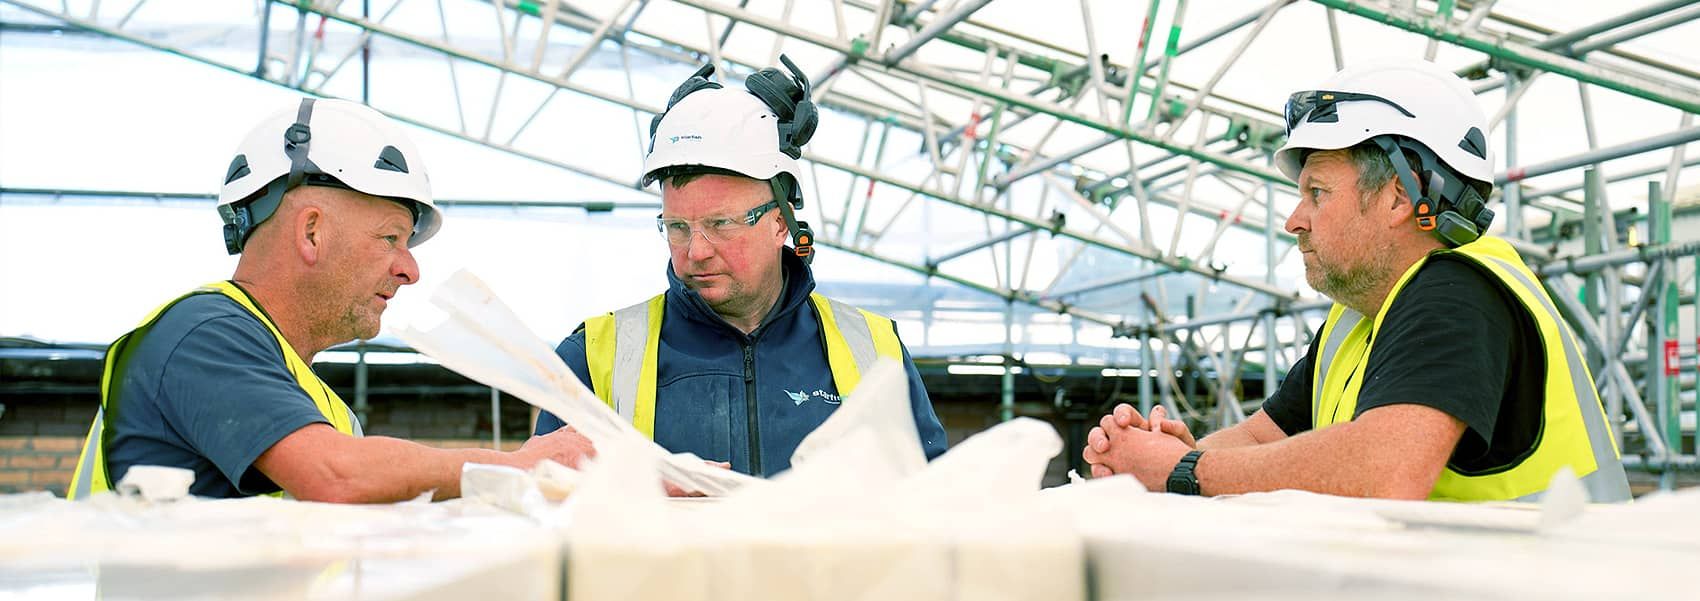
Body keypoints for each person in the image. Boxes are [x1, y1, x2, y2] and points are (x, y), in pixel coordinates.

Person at [1082, 59, 1630, 503]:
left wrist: (1186, 470)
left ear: (1398, 195)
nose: (1294, 220)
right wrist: (1176, 455)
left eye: (1316, 192)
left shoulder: (1458, 293)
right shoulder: (1359, 318)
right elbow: (1259, 436)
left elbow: (1386, 471)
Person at [68, 98, 594, 502]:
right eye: (391, 238)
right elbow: (336, 476)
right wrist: (523, 467)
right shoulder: (201, 335)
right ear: (312, 232)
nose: (410, 269)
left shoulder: (323, 409)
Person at [532, 57, 948, 476]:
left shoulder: (875, 351)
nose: (696, 252)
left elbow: (935, 504)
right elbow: (542, 503)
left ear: (781, 221)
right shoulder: (594, 356)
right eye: (677, 227)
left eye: (720, 224)